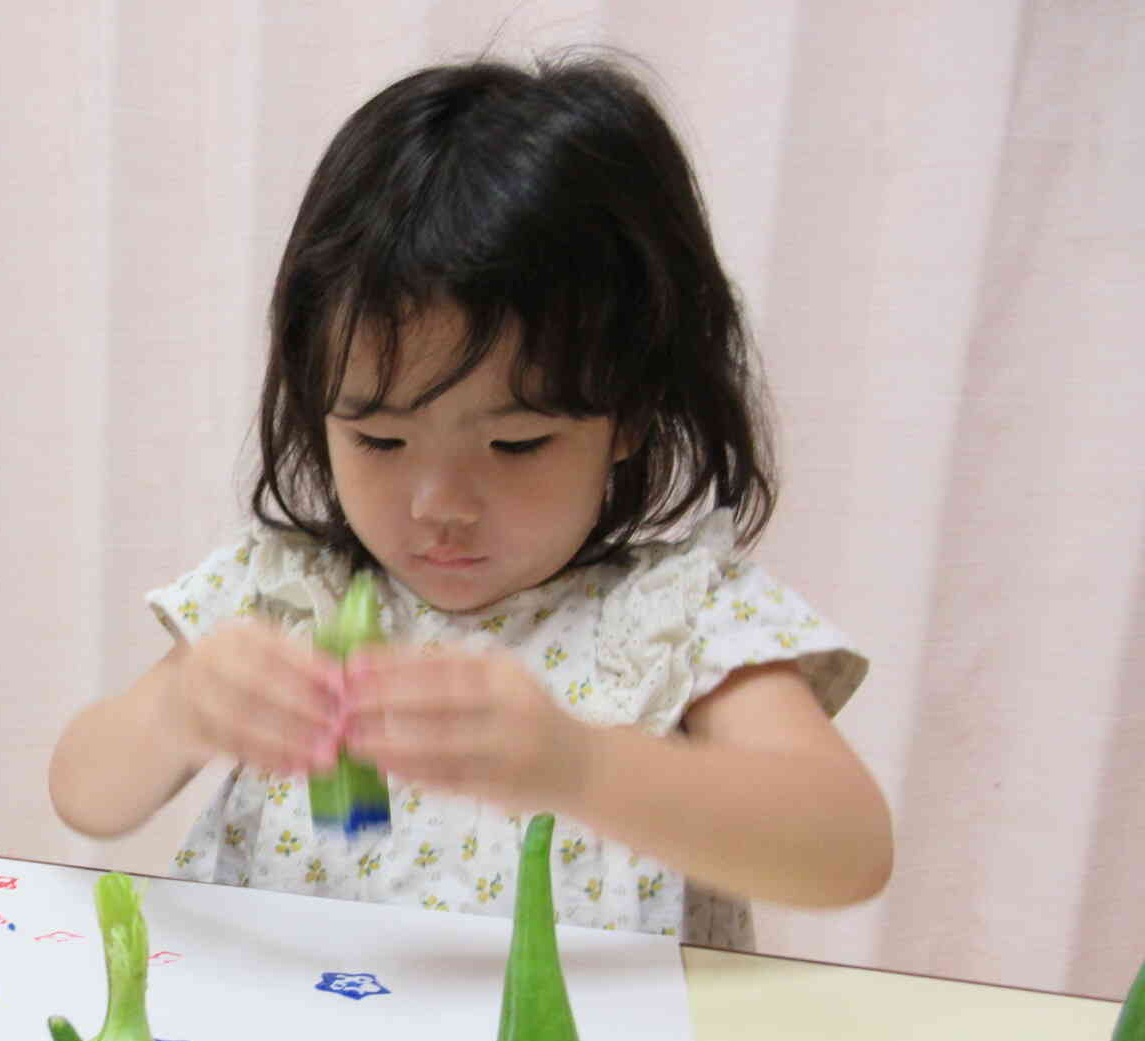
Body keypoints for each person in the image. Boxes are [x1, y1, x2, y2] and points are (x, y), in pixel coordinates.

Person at [48, 54, 892, 945]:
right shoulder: (290, 594)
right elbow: (84, 793)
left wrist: (580, 765)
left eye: (515, 444)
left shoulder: (677, 619)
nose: (439, 504)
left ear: (631, 415)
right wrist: (179, 711)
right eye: (379, 439)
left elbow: (847, 849)